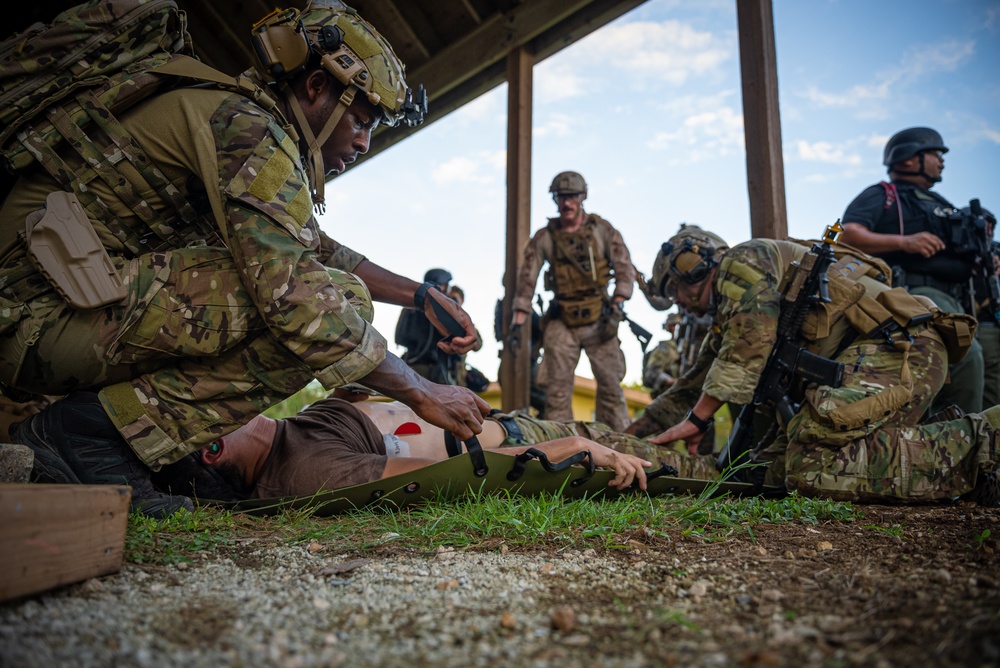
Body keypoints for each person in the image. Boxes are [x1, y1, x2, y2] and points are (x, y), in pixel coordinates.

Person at [0, 1, 488, 517]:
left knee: (324, 290)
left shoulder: (235, 115)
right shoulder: (248, 128)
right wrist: (420, 390)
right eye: (361, 119)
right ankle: (91, 435)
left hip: (51, 312)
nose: (365, 141)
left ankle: (109, 434)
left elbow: (311, 247)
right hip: (34, 319)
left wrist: (419, 295)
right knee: (333, 303)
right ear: (317, 88)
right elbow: (300, 298)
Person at [642, 224, 999, 506]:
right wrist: (625, 438)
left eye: (674, 291)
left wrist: (698, 420)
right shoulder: (730, 316)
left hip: (901, 350)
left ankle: (985, 439)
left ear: (693, 267)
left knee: (809, 466)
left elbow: (747, 348)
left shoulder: (742, 259)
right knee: (766, 471)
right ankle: (954, 457)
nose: (679, 305)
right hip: (875, 360)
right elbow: (687, 389)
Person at [136, 396, 722, 501]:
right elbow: (449, 476)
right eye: (213, 417)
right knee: (677, 466)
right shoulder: (310, 471)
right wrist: (572, 447)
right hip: (527, 442)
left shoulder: (287, 430)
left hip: (509, 421)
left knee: (653, 439)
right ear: (214, 449)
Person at [840, 127, 989, 415]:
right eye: (935, 153)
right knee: (968, 356)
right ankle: (957, 447)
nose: (942, 160)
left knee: (991, 368)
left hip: (963, 300)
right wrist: (905, 242)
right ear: (907, 158)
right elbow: (848, 234)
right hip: (917, 295)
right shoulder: (884, 194)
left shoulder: (944, 206)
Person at [510, 171, 635, 431]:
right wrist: (518, 319)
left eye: (572, 196)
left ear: (583, 197)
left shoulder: (602, 229)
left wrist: (619, 300)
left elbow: (624, 266)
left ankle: (621, 446)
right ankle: (561, 445)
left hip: (599, 316)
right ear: (555, 199)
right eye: (561, 197)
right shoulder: (545, 236)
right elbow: (527, 277)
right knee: (556, 390)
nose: (567, 203)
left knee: (611, 386)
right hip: (563, 318)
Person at [394, 268, 468, 385]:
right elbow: (457, 333)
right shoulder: (438, 308)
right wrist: (454, 303)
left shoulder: (411, 306)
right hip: (436, 372)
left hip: (411, 367)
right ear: (442, 286)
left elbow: (399, 337)